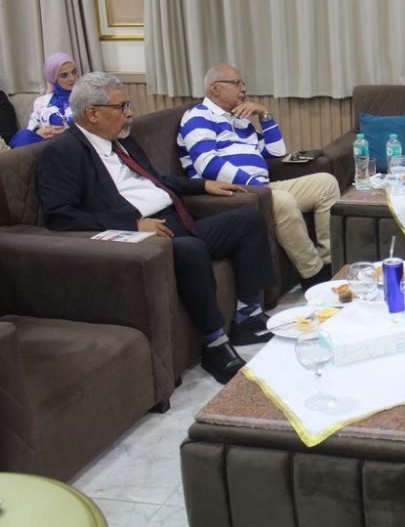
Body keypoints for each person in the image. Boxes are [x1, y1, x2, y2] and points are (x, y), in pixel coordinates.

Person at [36, 72, 277, 384]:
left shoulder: (122, 141)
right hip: (143, 239)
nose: (130, 113)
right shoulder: (63, 152)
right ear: (92, 113)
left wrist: (202, 185)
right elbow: (60, 216)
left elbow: (156, 180)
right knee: (191, 249)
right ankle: (215, 345)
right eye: (121, 107)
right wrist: (132, 225)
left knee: (248, 220)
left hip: (176, 221)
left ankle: (248, 317)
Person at [178, 64, 341, 290]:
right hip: (230, 194)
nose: (243, 89)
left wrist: (265, 115)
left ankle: (331, 264)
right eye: (236, 83)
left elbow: (276, 151)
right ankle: (314, 275)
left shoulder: (239, 120)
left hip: (261, 187)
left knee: (326, 184)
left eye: (243, 83)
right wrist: (256, 187)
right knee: (283, 201)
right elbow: (207, 164)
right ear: (214, 88)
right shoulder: (198, 116)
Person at [10, 52, 79, 148]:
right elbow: (31, 128)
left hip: (75, 143)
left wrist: (68, 131)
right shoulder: (42, 101)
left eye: (74, 72)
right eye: (64, 75)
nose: (72, 78)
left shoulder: (85, 97)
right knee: (23, 135)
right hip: (48, 145)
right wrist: (39, 132)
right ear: (53, 77)